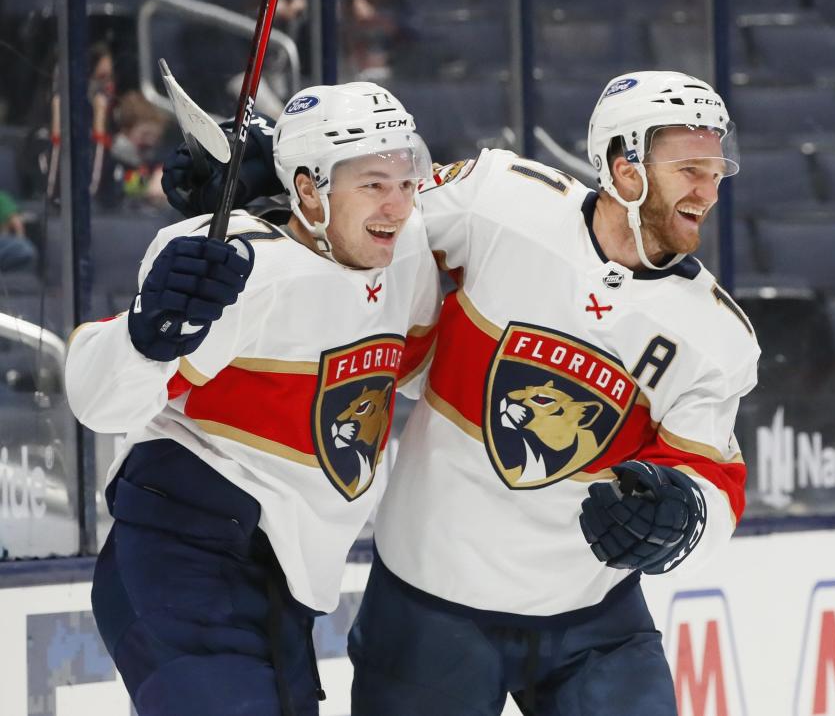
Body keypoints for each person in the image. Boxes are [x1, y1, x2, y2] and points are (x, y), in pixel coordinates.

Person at [164, 70, 760, 716]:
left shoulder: (716, 335)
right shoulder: (500, 201)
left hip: (591, 623)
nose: (711, 187)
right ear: (624, 166)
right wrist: (273, 176)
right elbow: (375, 212)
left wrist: (682, 520)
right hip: (431, 605)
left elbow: (711, 478)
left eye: (716, 167)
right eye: (689, 167)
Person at [66, 81, 440, 716]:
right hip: (181, 556)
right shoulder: (238, 264)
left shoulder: (407, 259)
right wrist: (146, 331)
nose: (397, 206)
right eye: (373, 184)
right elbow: (100, 403)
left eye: (406, 182)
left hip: (279, 588)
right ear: (309, 190)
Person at [0, 190, 37, 273]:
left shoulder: (1, 198)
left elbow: (16, 222)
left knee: (24, 249)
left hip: (4, 241)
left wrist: (20, 238)